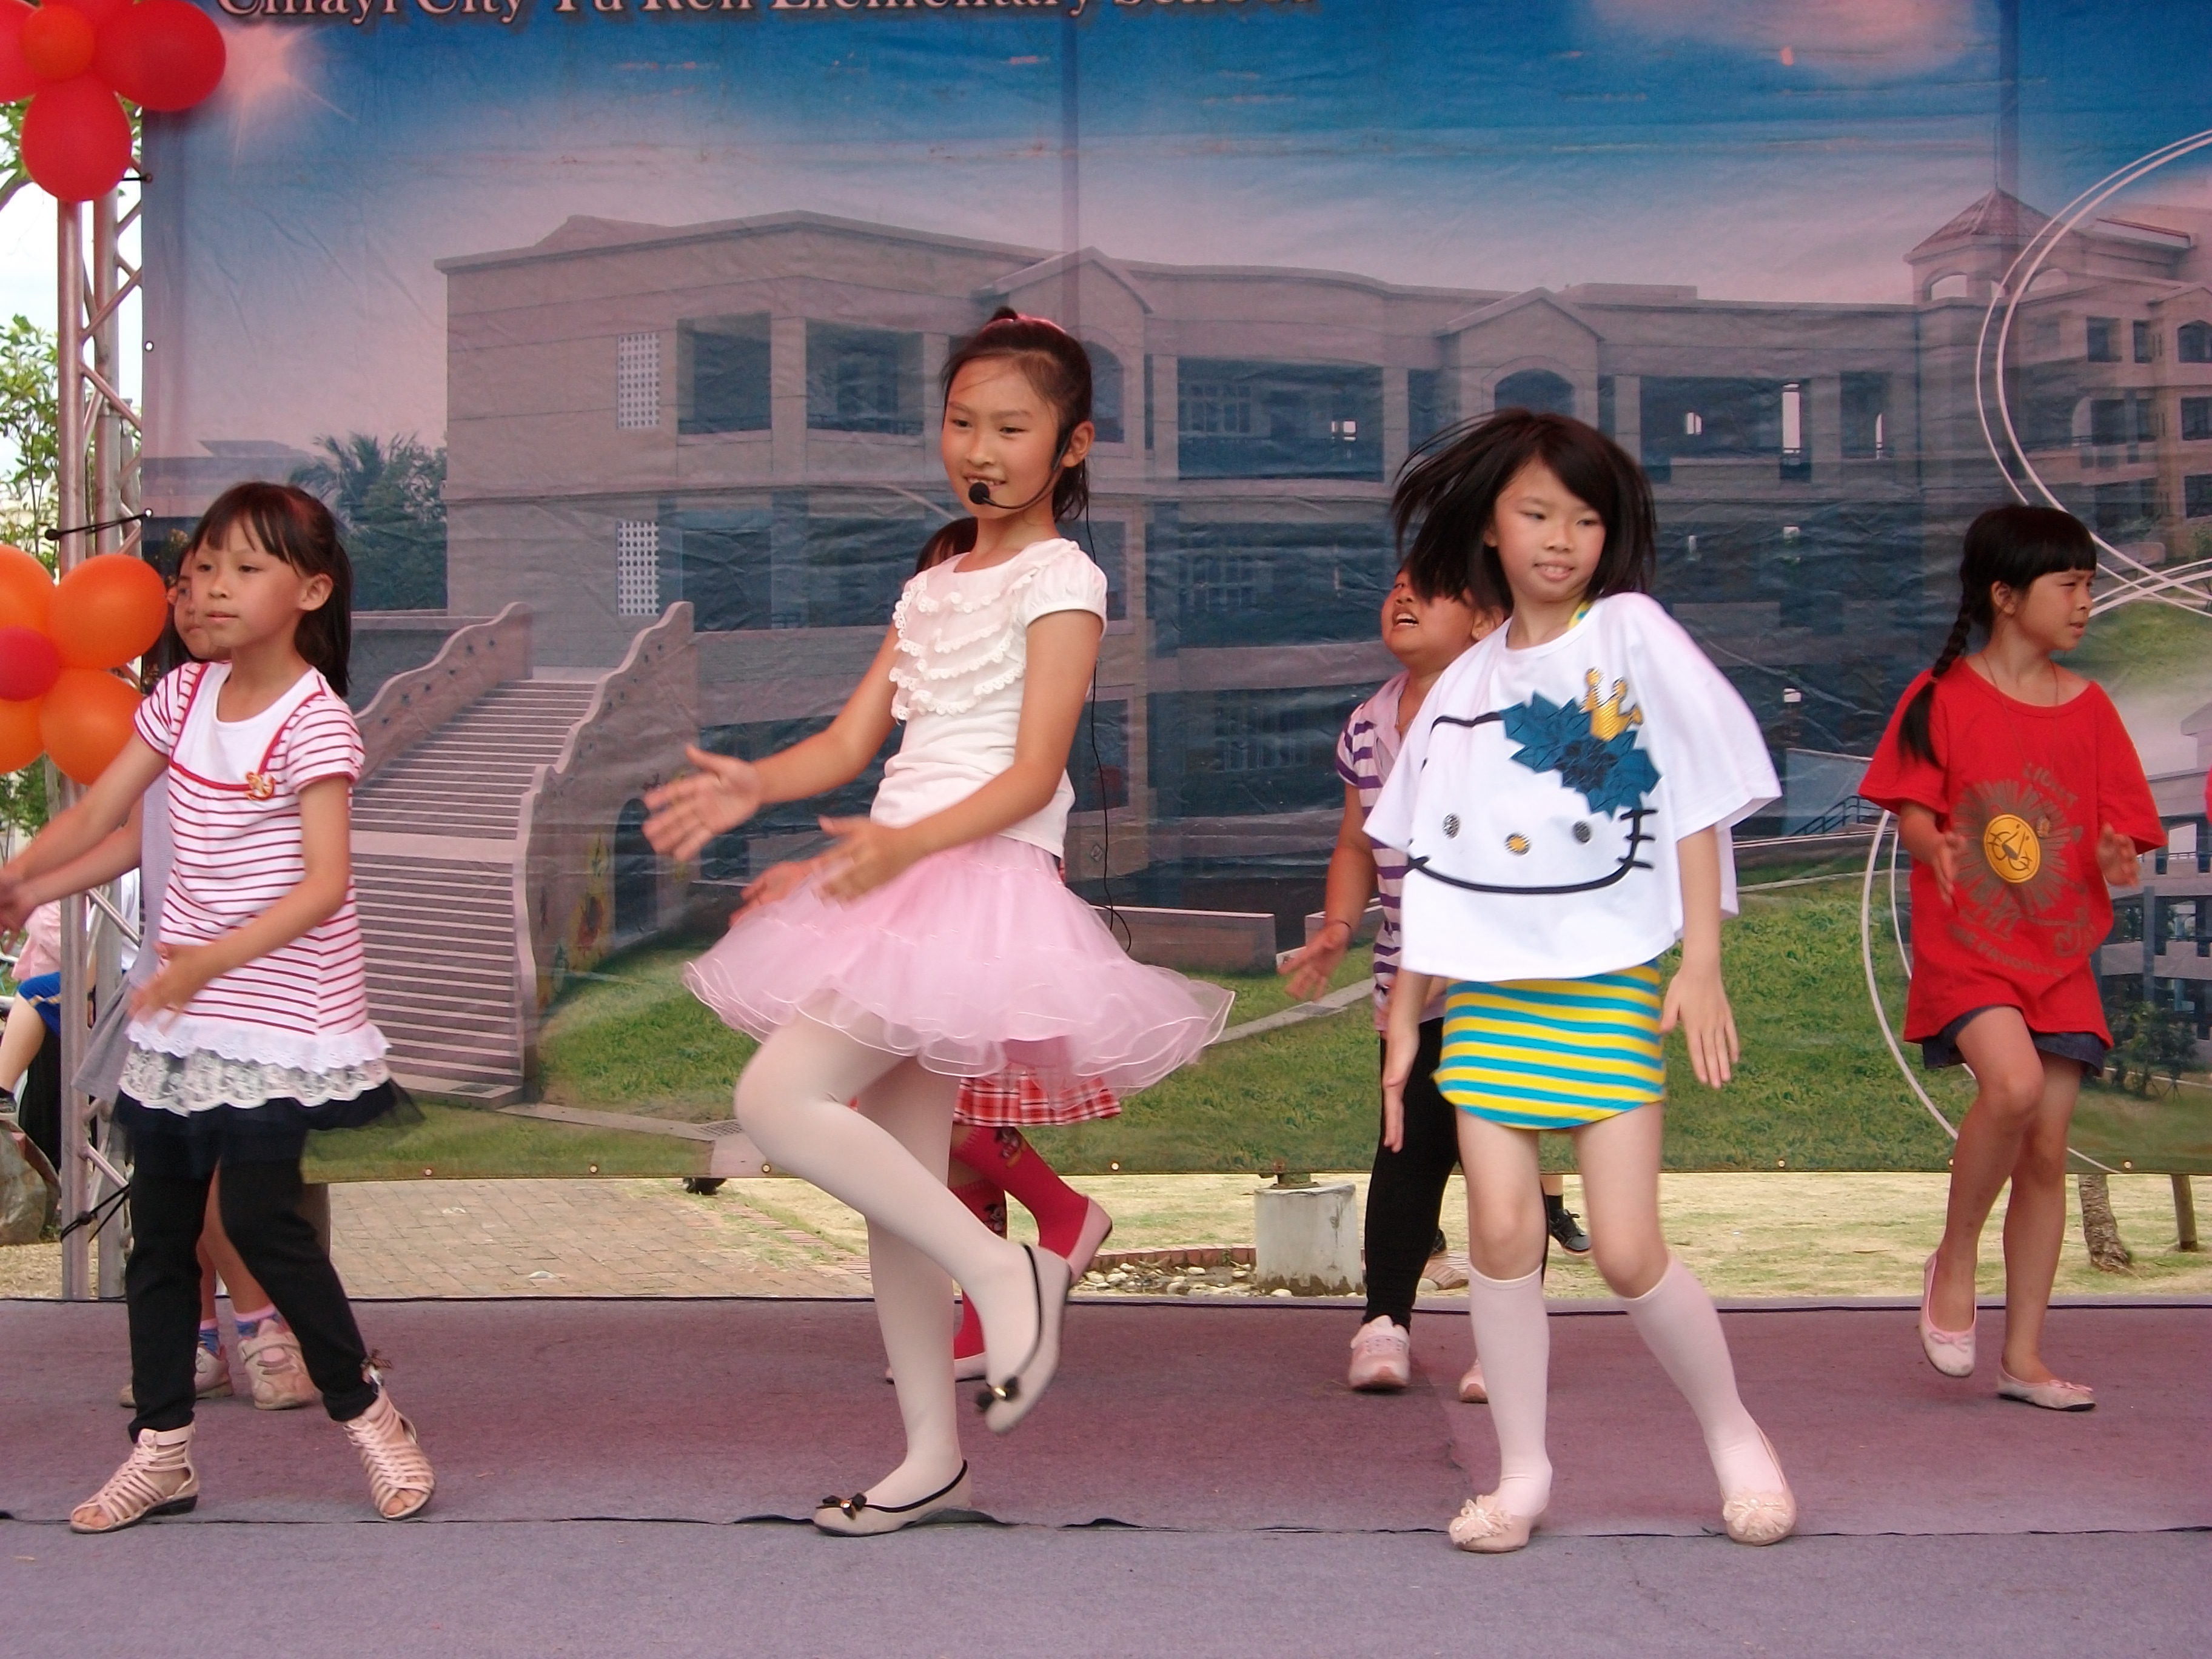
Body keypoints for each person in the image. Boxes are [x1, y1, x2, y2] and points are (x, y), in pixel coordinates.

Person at [647, 309, 1230, 1535]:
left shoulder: (1064, 579)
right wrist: (758, 785)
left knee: (776, 1099)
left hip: (976, 882)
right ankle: (932, 1456)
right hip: (900, 882)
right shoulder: (929, 585)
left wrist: (905, 848)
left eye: (1012, 428)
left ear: (1071, 446)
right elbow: (855, 744)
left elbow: (1033, 773)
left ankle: (1003, 1268)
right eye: (963, 423)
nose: (981, 449)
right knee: (900, 1183)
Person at [1367, 409, 1794, 1553]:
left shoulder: (1631, 633)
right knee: (1500, 1238)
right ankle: (1522, 1477)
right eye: (1537, 513)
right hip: (1487, 1003)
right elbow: (1432, 863)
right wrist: (1405, 1018)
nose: (1562, 538)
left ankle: (1734, 1433)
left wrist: (1701, 962)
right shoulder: (1460, 686)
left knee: (1626, 1249)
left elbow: (1695, 793)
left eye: (1587, 519)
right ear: (1490, 529)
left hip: (1609, 983)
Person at [0, 483, 432, 1532]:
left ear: (310, 591)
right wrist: (23, 880)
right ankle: (162, 1455)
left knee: (258, 1222)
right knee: (158, 1237)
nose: (211, 588)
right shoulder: (182, 698)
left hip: (279, 1013)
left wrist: (206, 965)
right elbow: (110, 819)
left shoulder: (315, 721)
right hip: (181, 1014)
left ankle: (371, 1416)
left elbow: (324, 885)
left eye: (245, 568)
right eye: (200, 569)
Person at [1860, 504, 2163, 1412]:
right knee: (2016, 1085)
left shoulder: (2092, 710)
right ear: (2005, 595)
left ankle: (2022, 1359)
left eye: (2090, 585)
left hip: (2059, 956)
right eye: (2068, 585)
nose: (2085, 602)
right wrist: (1931, 843)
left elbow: (2122, 828)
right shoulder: (1940, 697)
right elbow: (1913, 810)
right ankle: (1954, 1259)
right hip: (1971, 949)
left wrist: (2116, 853)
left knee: (2047, 1154)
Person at [1, 585, 318, 1414]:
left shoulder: (295, 718)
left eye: (231, 580)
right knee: (178, 1179)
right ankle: (212, 1342)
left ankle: (267, 1334)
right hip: (168, 989)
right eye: (190, 590)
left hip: (250, 990)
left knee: (227, 1185)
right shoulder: (172, 718)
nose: (204, 603)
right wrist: (30, 882)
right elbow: (127, 840)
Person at [1279, 565, 1592, 1401]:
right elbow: (1356, 845)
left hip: (1504, 980)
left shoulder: (1512, 716)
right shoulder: (1366, 724)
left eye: (1433, 589)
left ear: (1488, 620)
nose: (1403, 599)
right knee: (1406, 1150)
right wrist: (1337, 929)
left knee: (1501, 1157)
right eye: (1396, 586)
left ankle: (1508, 1337)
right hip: (1409, 981)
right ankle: (1384, 1322)